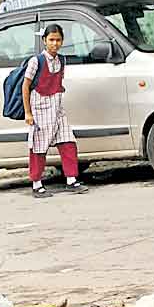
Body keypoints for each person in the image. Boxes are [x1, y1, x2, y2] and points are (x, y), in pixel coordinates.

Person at [23, 23, 88, 198]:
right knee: (38, 147)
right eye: (51, 40)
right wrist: (28, 113)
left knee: (68, 142)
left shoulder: (62, 60)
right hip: (40, 110)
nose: (55, 43)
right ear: (44, 41)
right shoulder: (36, 61)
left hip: (57, 110)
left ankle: (71, 180)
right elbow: (26, 86)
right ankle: (36, 184)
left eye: (58, 40)